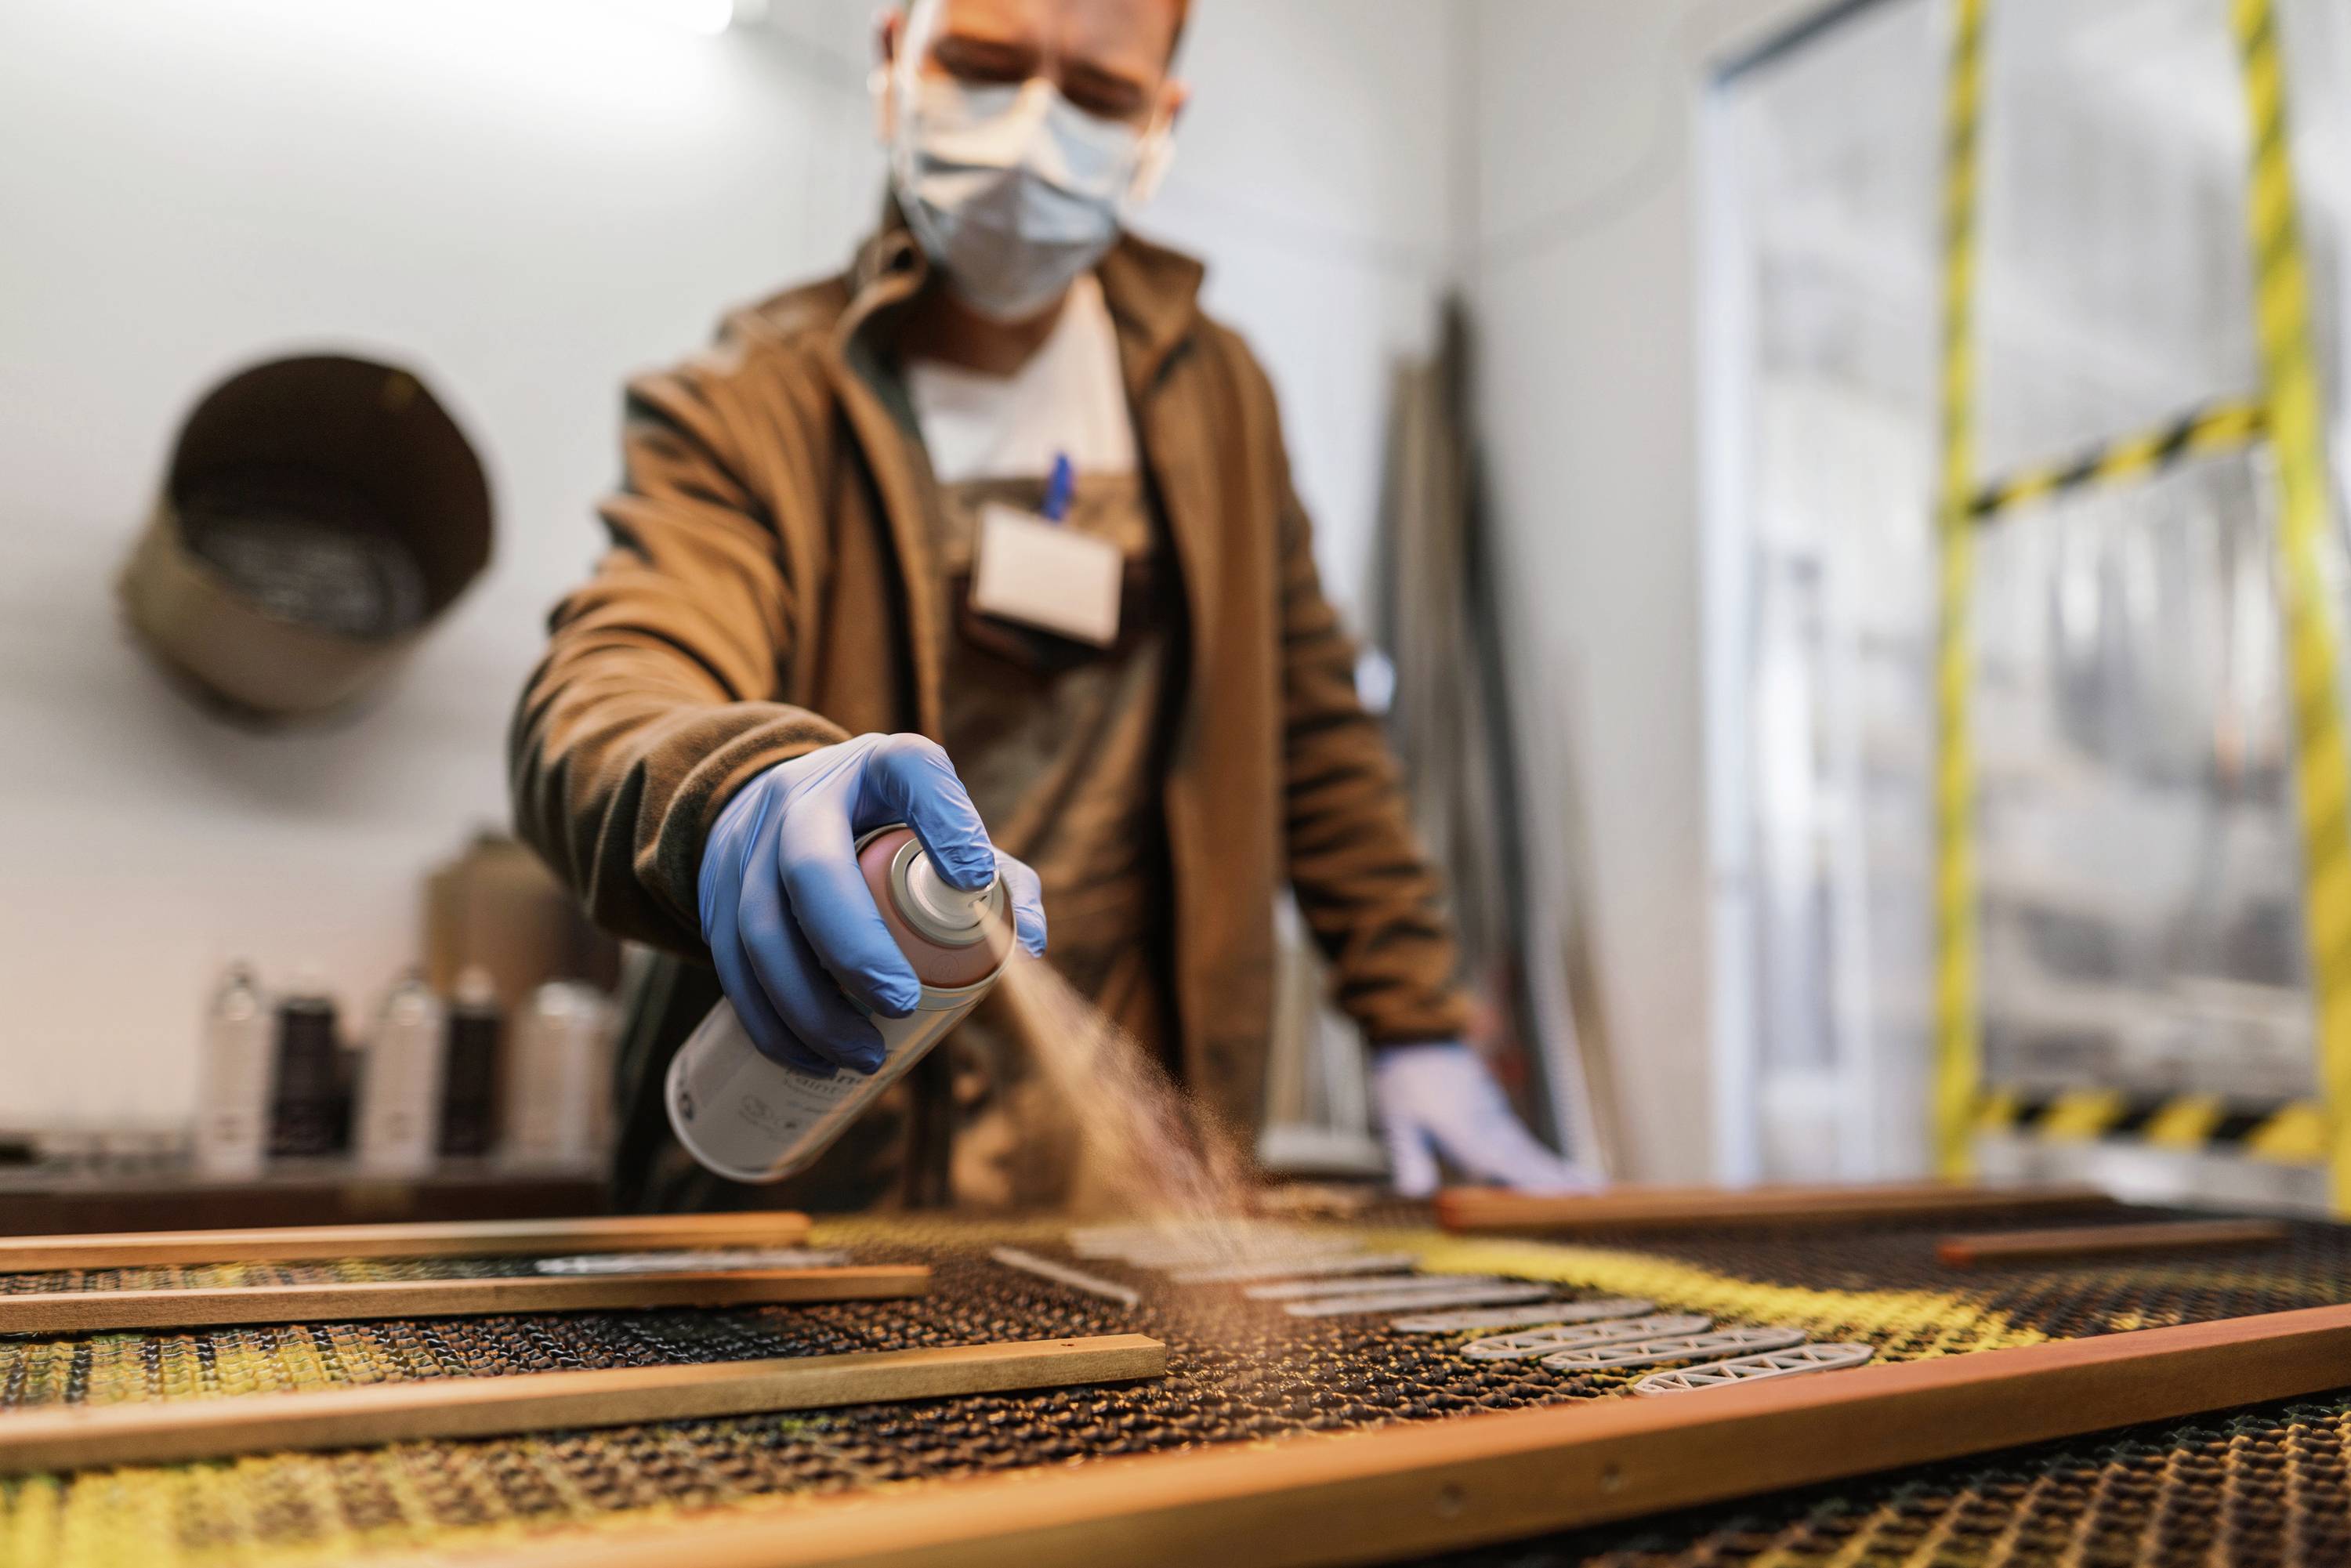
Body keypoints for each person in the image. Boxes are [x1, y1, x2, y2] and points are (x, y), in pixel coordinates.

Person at [511, 0, 1588, 1211]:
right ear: (893, 61)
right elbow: (613, 676)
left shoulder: (1216, 399)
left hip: (1125, 1180)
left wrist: (1415, 1019)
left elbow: (1315, 733)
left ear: (1158, 120)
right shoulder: (748, 402)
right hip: (806, 1169)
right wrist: (734, 793)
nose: (1029, 133)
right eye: (979, 65)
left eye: (1096, 94)